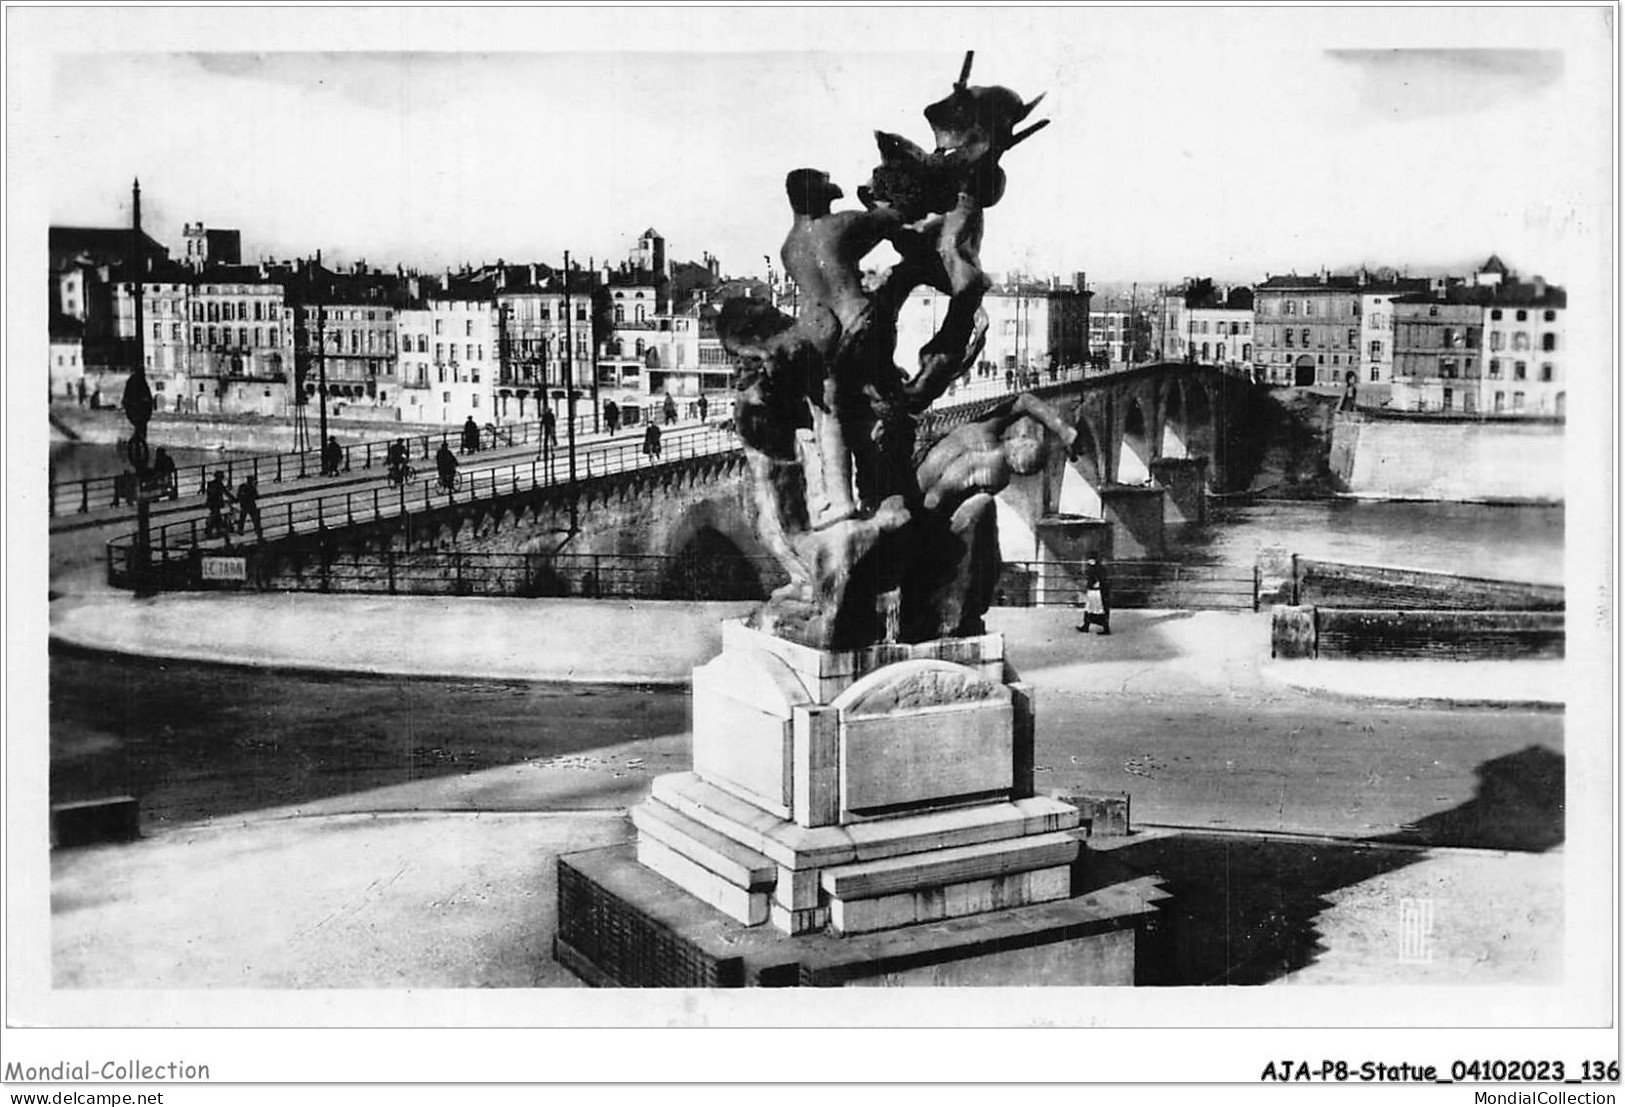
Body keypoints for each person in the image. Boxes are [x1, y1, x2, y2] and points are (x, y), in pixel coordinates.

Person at [1076, 551, 1112, 636]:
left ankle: (1104, 628)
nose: (1090, 561)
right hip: (1094, 591)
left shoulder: (1096, 569)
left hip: (1096, 592)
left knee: (1096, 609)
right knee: (1091, 608)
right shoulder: (1098, 568)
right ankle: (1087, 625)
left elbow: (1098, 580)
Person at [204, 472, 234, 538]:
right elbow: (225, 492)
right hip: (216, 502)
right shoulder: (219, 484)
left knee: (216, 515)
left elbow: (209, 494)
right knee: (215, 515)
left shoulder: (210, 484)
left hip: (211, 502)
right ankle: (211, 529)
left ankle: (214, 528)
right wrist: (232, 497)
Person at [236, 475, 262, 540]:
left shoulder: (242, 486)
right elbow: (256, 496)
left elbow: (238, 495)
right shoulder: (252, 487)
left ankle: (240, 529)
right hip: (251, 505)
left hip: (244, 505)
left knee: (242, 517)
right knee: (255, 518)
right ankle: (257, 529)